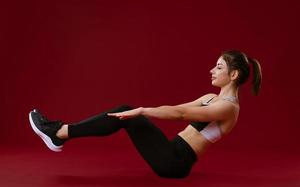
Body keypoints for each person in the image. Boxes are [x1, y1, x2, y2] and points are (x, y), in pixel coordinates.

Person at [29, 50, 262, 179]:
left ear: (234, 75)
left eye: (219, 67)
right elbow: (173, 107)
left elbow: (180, 114)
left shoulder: (229, 108)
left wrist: (141, 111)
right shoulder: (209, 98)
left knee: (126, 111)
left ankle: (59, 132)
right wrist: (143, 113)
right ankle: (60, 133)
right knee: (126, 113)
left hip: (176, 162)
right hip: (171, 151)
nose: (212, 70)